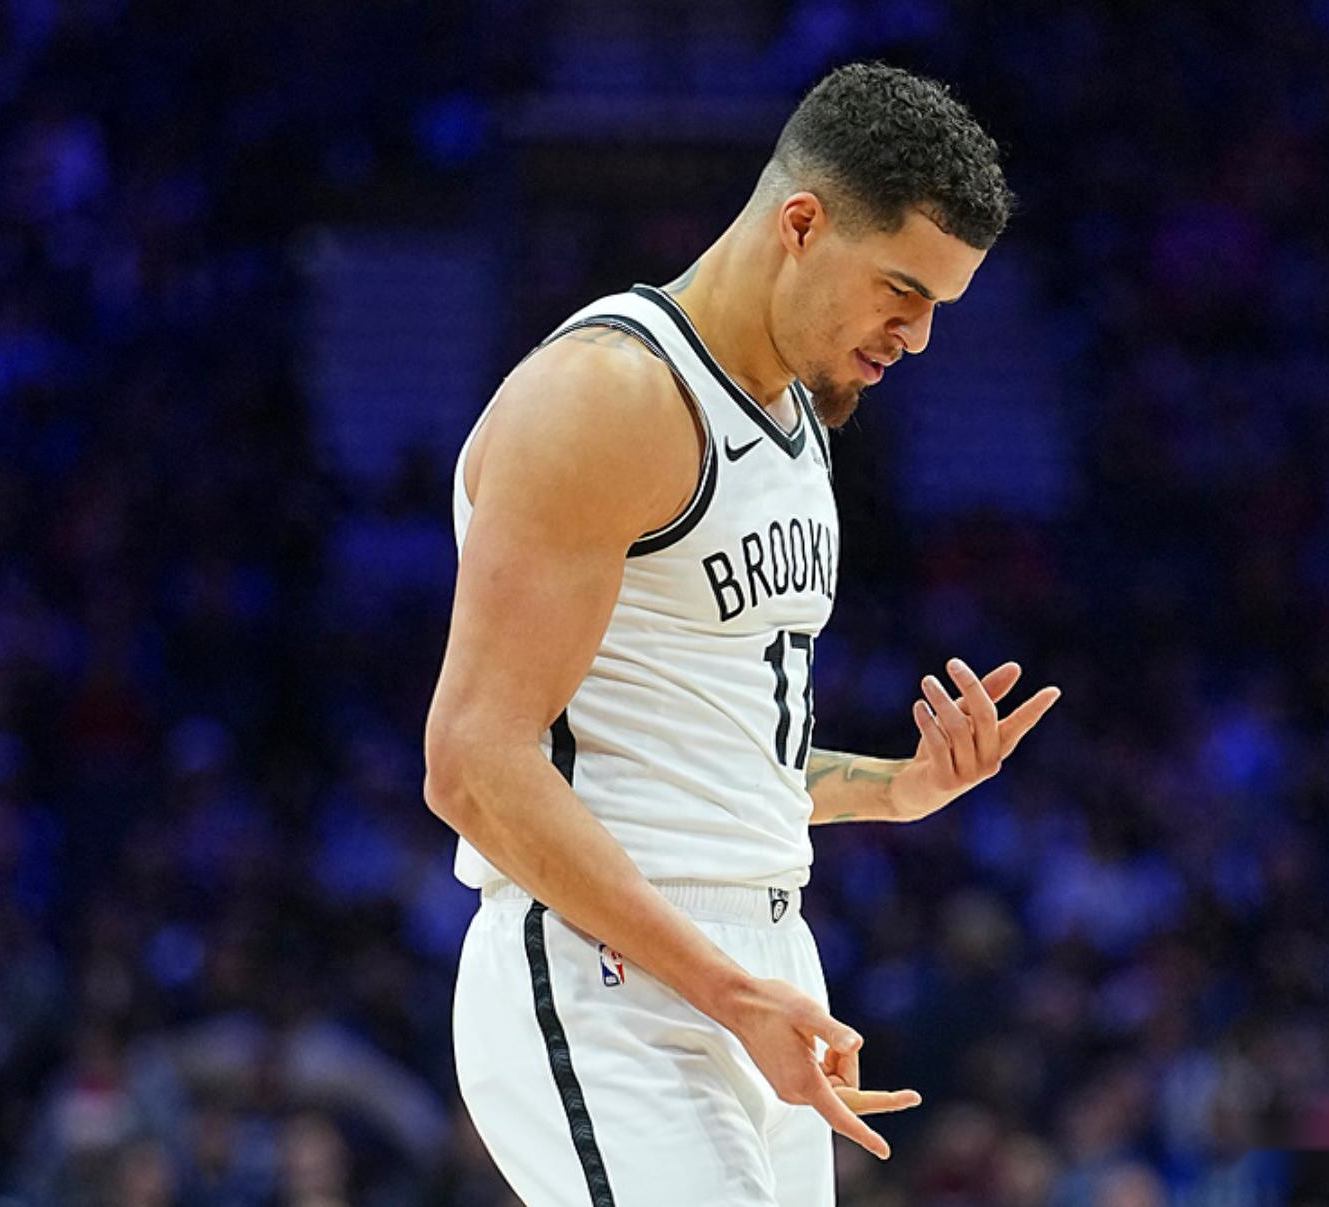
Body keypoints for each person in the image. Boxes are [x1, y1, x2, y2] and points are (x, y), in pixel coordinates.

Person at [423, 62, 1059, 1207]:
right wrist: (723, 988)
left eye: (938, 308)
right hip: (606, 968)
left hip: (759, 956)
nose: (915, 337)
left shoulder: (793, 419)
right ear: (800, 224)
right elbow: (471, 763)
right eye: (900, 290)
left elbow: (699, 756)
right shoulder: (609, 395)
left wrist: (896, 788)